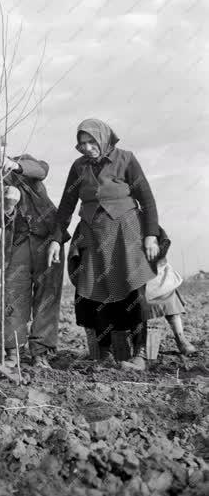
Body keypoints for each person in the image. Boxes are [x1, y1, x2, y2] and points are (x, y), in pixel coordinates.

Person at [47, 119, 160, 371]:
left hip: (126, 236)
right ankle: (104, 354)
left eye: (91, 141)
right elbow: (66, 205)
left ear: (104, 138)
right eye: (82, 143)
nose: (87, 148)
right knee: (95, 294)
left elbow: (147, 200)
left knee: (134, 294)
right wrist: (56, 239)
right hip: (93, 236)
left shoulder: (126, 159)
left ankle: (140, 354)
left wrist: (151, 235)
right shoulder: (78, 168)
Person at [0, 126, 65, 369]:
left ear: (3, 147)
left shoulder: (25, 163)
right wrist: (8, 206)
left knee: (47, 296)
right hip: (18, 243)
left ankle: (40, 353)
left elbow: (43, 170)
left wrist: (16, 167)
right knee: (15, 295)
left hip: (48, 239)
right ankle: (13, 352)